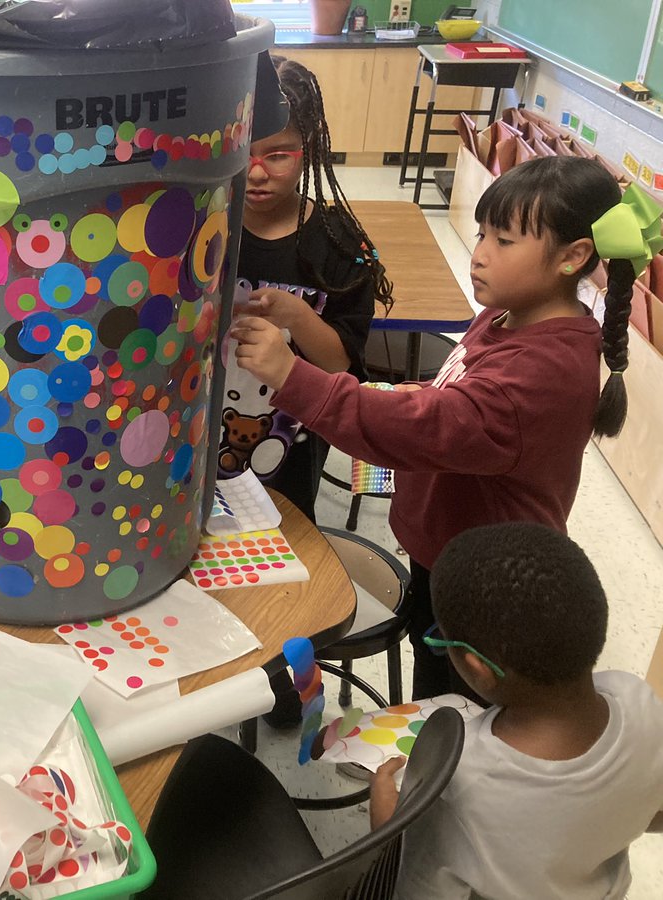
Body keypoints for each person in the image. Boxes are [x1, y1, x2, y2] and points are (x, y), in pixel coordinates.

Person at [231, 156, 648, 700]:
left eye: (504, 241)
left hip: (488, 585)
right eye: (481, 234)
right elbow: (457, 406)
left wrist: (292, 375)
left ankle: (441, 778)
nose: (479, 255)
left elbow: (425, 429)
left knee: (457, 704)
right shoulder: (510, 313)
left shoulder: (543, 374)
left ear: (573, 257)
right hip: (449, 548)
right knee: (434, 677)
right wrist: (429, 393)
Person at [369, 522, 663, 899]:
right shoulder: (639, 700)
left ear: (477, 668)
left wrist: (387, 823)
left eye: (443, 639)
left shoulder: (457, 780)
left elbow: (410, 889)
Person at [218, 54, 393, 521]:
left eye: (277, 155)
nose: (256, 173)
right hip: (197, 437)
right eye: (244, 152)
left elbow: (344, 366)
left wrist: (297, 316)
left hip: (288, 452)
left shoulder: (338, 244)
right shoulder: (208, 227)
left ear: (309, 148)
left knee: (283, 533)